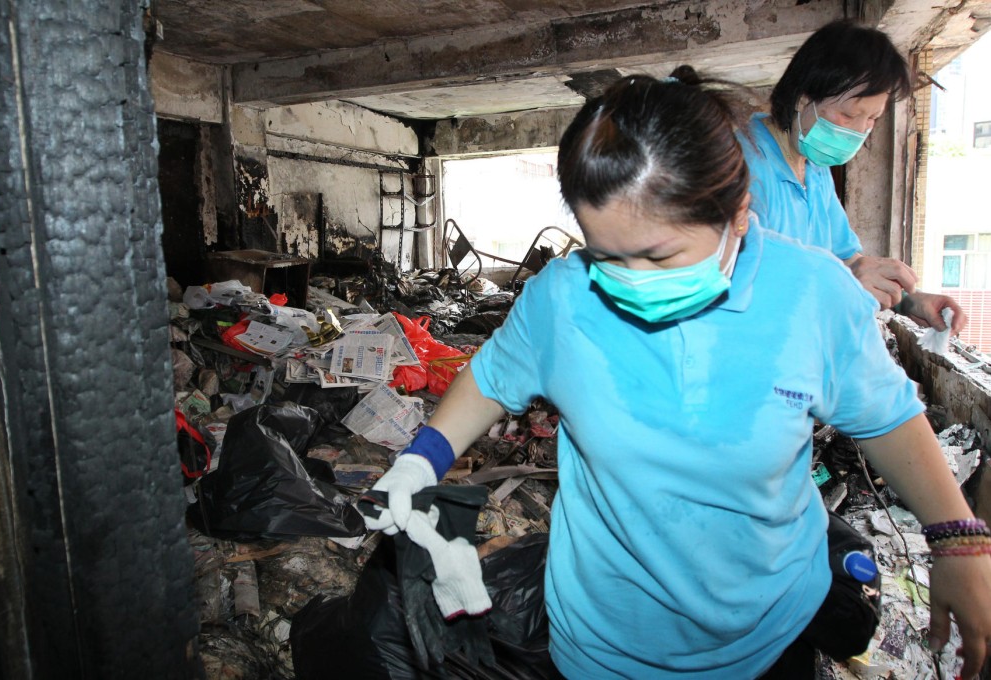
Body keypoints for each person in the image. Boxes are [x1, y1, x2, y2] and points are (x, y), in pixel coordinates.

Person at [365, 73, 991, 679]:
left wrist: (956, 537)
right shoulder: (563, 298)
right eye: (607, 255)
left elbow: (888, 417)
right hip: (604, 644)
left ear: (738, 214)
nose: (631, 278)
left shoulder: (811, 296)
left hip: (771, 634)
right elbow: (491, 379)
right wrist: (421, 461)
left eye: (660, 255)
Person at [739, 19, 968, 334]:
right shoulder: (739, 163)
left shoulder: (815, 170)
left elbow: (846, 260)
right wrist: (842, 281)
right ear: (803, 99)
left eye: (872, 118)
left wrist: (910, 300)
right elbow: (732, 280)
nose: (859, 130)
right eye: (848, 114)